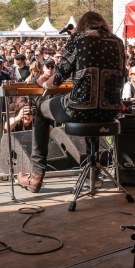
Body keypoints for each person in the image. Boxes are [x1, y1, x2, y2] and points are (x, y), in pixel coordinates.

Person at [17, 11, 125, 193]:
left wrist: (46, 85)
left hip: (80, 110)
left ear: (83, 24)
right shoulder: (118, 42)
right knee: (96, 113)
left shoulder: (78, 39)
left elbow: (58, 77)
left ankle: (36, 175)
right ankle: (95, 170)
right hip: (111, 111)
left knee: (41, 110)